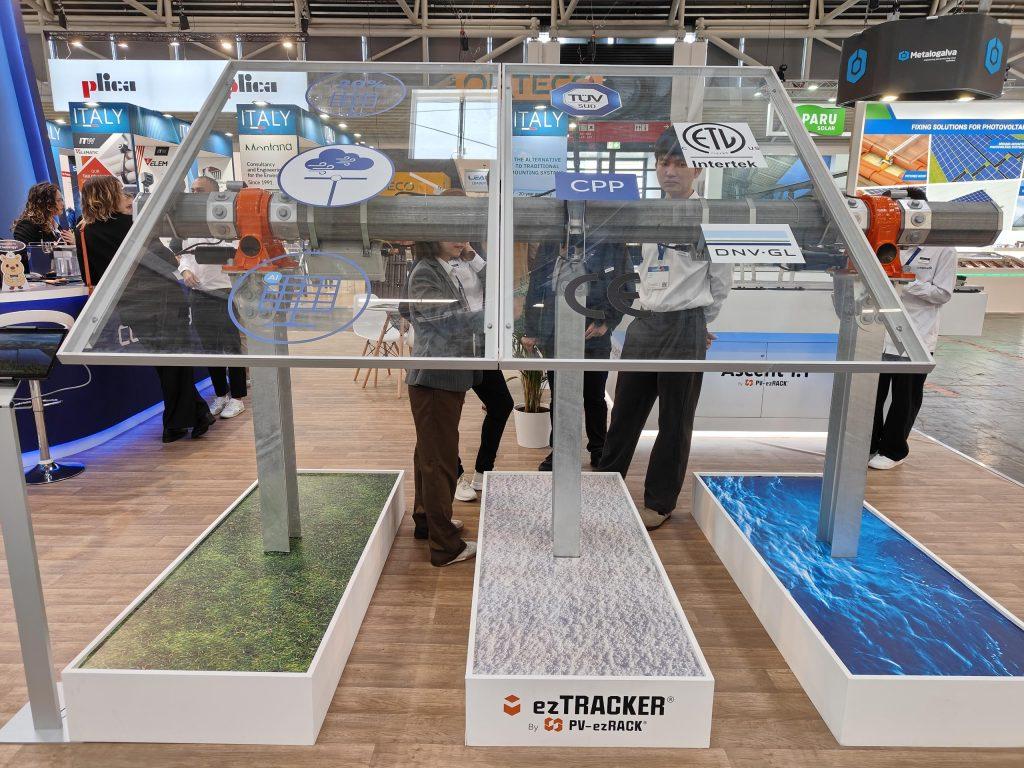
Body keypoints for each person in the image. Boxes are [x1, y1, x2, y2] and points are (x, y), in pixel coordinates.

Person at [597, 126, 732, 530]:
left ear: (697, 170)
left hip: (685, 324)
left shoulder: (710, 218)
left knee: (675, 420)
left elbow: (720, 281)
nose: (669, 171)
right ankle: (605, 487)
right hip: (645, 321)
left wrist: (699, 322)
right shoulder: (646, 213)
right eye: (663, 163)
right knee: (624, 413)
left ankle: (659, 501)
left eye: (678, 164)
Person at [75, 175, 215, 443]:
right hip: (163, 299)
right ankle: (184, 419)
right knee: (175, 361)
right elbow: (164, 260)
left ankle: (189, 418)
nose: (126, 196)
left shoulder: (83, 231)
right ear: (109, 196)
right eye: (120, 191)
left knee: (165, 363)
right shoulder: (133, 224)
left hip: (130, 305)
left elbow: (90, 274)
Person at [404, 239, 484, 566]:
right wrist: (489, 317)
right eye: (449, 232)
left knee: (430, 453)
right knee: (440, 460)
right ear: (431, 236)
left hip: (444, 373)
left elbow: (410, 310)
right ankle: (445, 546)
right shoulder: (426, 271)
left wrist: (473, 258)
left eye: (462, 233)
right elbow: (446, 321)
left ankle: (428, 521)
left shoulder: (442, 267)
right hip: (435, 376)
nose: (459, 240)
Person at [522, 239, 633, 471]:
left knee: (594, 395)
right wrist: (531, 330)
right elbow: (536, 288)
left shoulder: (612, 244)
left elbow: (626, 287)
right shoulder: (550, 244)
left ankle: (598, 449)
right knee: (560, 395)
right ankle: (561, 450)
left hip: (593, 332)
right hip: (555, 331)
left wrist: (607, 321)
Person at [870, 189, 956, 470]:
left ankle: (893, 450)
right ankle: (869, 444)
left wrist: (905, 283)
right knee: (872, 394)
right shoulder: (882, 240)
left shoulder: (943, 248)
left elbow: (943, 293)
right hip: (878, 332)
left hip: (916, 334)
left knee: (904, 398)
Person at [175, 175, 247, 419]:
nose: (195, 194)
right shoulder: (191, 224)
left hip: (225, 292)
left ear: (214, 192)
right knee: (210, 348)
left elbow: (239, 252)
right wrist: (185, 271)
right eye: (193, 190)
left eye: (200, 190)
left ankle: (237, 397)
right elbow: (186, 254)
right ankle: (221, 394)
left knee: (231, 346)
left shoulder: (230, 220)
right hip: (199, 294)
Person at [11, 182, 74, 271]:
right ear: (47, 204)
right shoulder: (26, 226)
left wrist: (73, 243)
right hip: (39, 278)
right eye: (59, 200)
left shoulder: (56, 226)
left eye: (62, 200)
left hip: (60, 276)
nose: (63, 204)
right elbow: (24, 259)